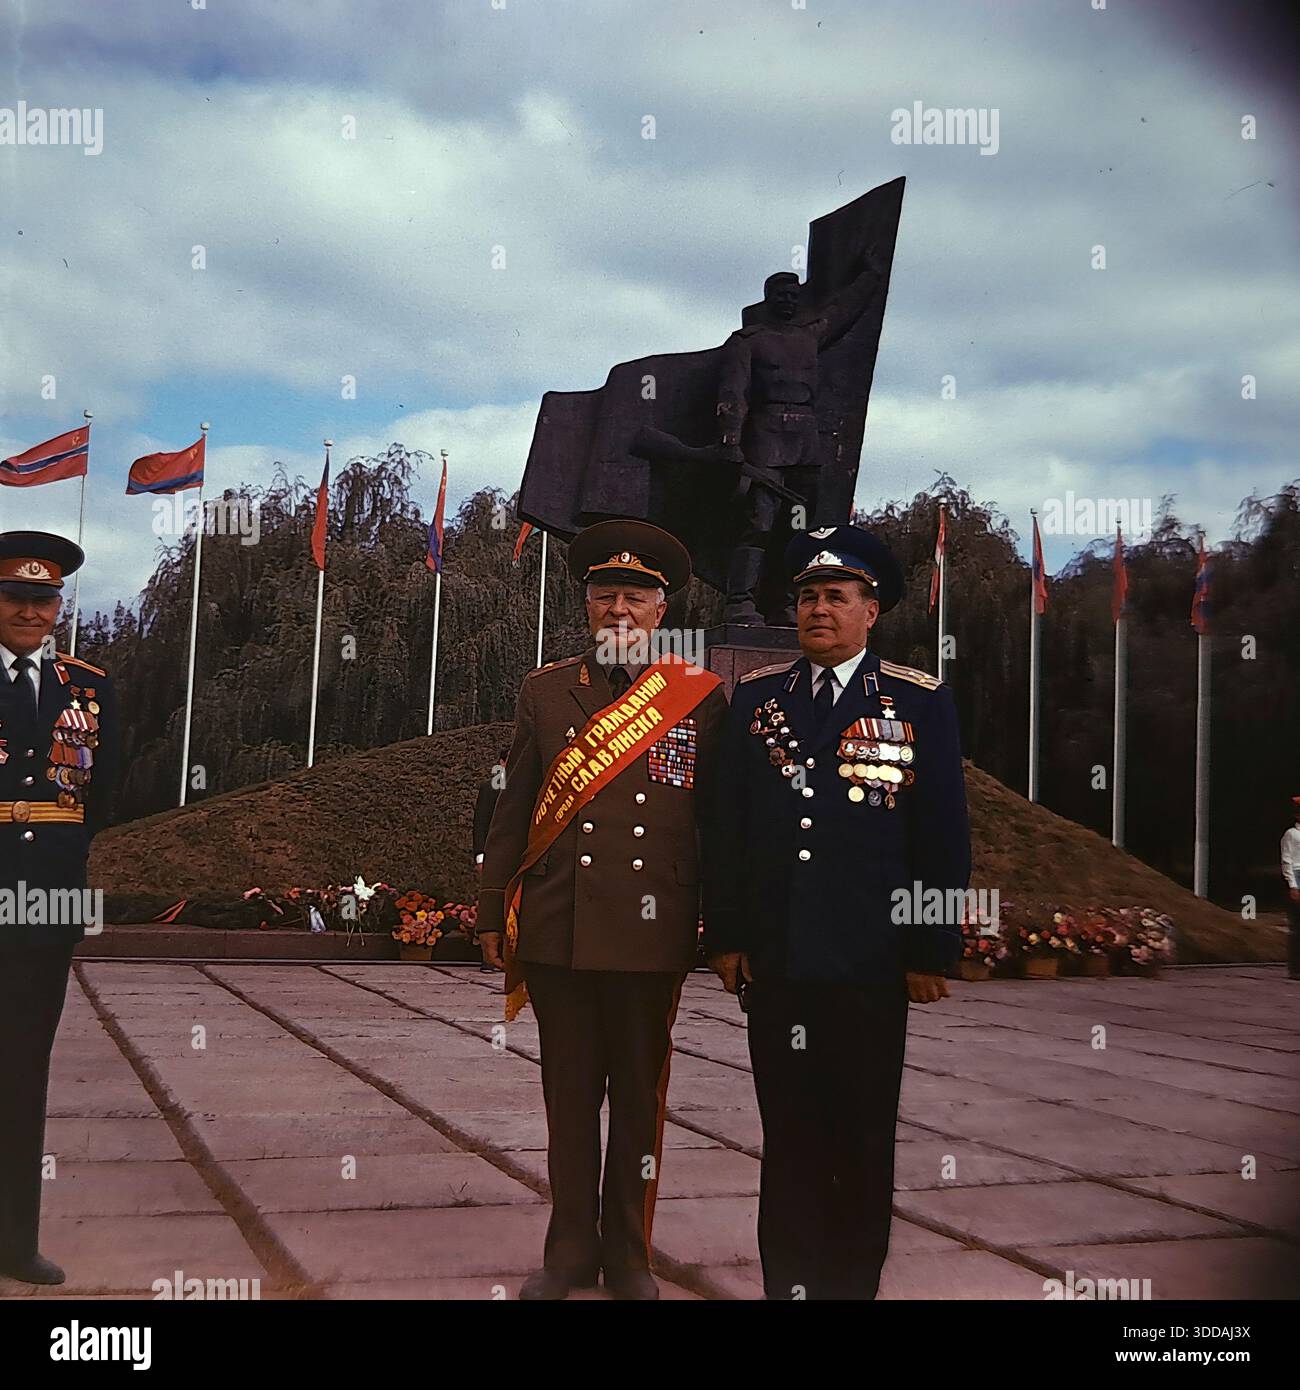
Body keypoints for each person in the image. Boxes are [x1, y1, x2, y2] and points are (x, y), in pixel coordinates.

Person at [702, 524, 970, 1300]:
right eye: (809, 596)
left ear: (871, 610)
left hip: (870, 966)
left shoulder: (918, 702)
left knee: (859, 1139)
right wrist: (726, 935)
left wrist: (931, 949)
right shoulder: (757, 699)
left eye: (837, 596)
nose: (820, 609)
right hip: (779, 962)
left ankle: (851, 1288)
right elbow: (728, 828)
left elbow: (943, 833)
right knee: (787, 1138)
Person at [477, 519, 726, 1300]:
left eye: (638, 596)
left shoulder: (699, 697)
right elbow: (510, 809)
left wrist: (721, 924)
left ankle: (631, 1255)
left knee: (641, 1105)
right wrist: (491, 912)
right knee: (570, 1101)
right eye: (605, 594)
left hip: (653, 930)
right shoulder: (547, 691)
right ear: (587, 605)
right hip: (560, 926)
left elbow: (718, 818)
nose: (620, 608)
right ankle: (568, 1253)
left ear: (662, 610)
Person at [0, 531, 118, 1285]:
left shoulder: (90, 686)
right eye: (15, 599)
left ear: (59, 606)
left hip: (45, 900)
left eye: (43, 600)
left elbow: (102, 797)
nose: (30, 612)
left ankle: (14, 1241)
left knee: (22, 1070)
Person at [1282, 796, 1300, 979]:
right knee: (1297, 927)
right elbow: (1287, 861)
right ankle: (1295, 968)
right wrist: (1293, 885)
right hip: (1297, 876)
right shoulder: (1291, 835)